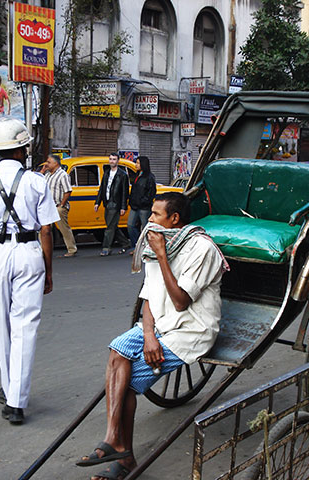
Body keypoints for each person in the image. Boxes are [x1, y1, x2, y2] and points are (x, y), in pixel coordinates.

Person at [76, 192, 228, 479]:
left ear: (174, 219)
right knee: (117, 350)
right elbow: (148, 297)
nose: (149, 220)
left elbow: (181, 301)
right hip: (158, 326)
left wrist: (161, 255)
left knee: (129, 383)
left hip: (190, 329)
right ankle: (113, 439)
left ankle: (126, 458)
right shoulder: (157, 243)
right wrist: (148, 335)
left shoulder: (200, 248)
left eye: (156, 215)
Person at [0, 119, 59, 425]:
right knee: (25, 326)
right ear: (22, 149)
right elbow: (46, 230)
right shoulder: (36, 182)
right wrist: (48, 269)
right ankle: (17, 402)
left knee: (1, 323)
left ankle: (8, 389)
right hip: (30, 252)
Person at [94, 153, 130, 256]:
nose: (112, 161)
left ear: (118, 161)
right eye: (110, 159)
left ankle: (106, 247)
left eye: (114, 159)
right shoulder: (106, 173)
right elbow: (102, 188)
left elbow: (124, 192)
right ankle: (125, 243)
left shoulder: (122, 175)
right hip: (107, 202)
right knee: (112, 225)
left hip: (116, 203)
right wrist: (97, 202)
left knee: (109, 227)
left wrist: (123, 207)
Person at [44, 154, 77, 257]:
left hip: (58, 205)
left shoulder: (62, 174)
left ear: (56, 163)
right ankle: (44, 249)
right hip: (48, 206)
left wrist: (62, 204)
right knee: (45, 229)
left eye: (49, 162)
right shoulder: (47, 175)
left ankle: (72, 249)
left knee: (64, 228)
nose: (47, 164)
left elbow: (68, 191)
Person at [127, 156, 156, 252]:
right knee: (130, 225)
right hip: (134, 206)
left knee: (145, 228)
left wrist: (143, 201)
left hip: (144, 207)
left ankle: (146, 247)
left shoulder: (149, 177)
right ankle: (136, 245)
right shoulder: (136, 176)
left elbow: (151, 192)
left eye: (138, 163)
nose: (136, 165)